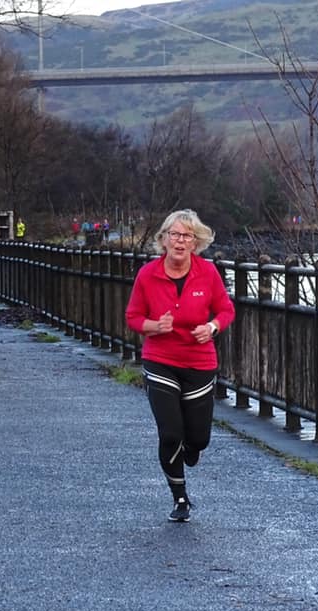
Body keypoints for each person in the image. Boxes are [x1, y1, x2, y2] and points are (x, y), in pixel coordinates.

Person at [124, 209, 235, 522]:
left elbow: (225, 311)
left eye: (187, 236)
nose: (180, 241)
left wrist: (211, 328)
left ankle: (193, 446)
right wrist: (154, 326)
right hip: (161, 359)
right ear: (163, 239)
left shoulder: (208, 273)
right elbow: (133, 317)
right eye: (174, 234)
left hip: (199, 361)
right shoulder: (148, 274)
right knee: (170, 432)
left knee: (198, 439)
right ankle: (180, 497)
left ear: (196, 242)